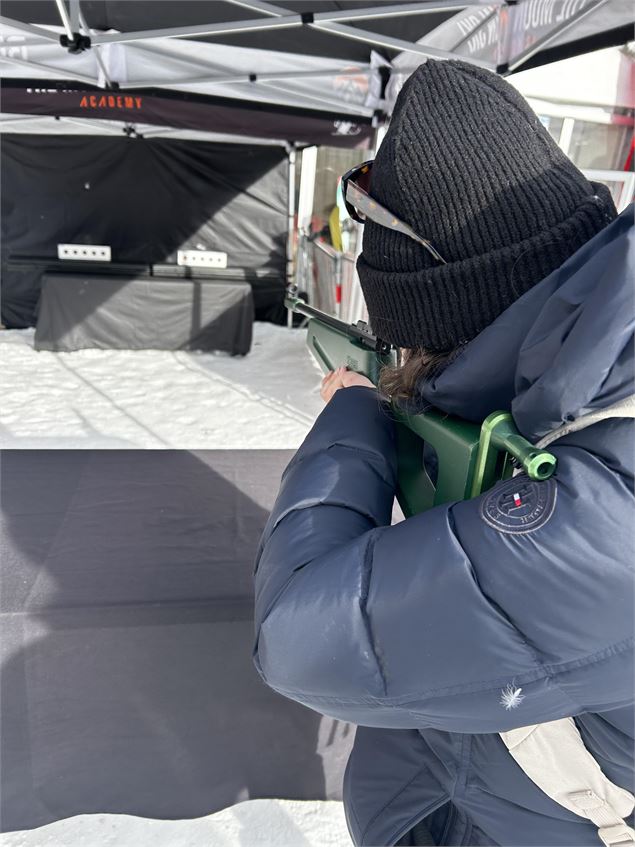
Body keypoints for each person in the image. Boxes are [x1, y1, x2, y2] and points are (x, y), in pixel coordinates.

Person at [253, 59, 634, 846]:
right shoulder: (569, 408)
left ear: (447, 328)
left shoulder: (607, 505)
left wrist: (354, 416)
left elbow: (294, 636)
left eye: (402, 346)